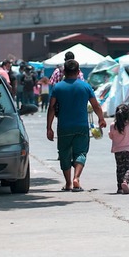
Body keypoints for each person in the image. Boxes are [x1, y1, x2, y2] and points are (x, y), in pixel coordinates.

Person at [47, 59, 106, 192]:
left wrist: (48, 127)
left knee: (64, 153)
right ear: (78, 71)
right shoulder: (85, 86)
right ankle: (76, 178)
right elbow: (96, 105)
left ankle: (68, 183)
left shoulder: (58, 87)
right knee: (81, 152)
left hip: (64, 126)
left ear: (64, 72)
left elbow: (51, 108)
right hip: (81, 126)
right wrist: (101, 119)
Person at [109, 103, 129, 194]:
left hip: (117, 150)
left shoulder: (113, 125)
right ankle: (125, 181)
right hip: (128, 150)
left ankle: (119, 187)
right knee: (128, 168)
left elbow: (111, 136)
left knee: (119, 168)